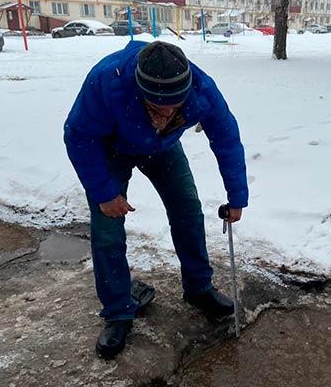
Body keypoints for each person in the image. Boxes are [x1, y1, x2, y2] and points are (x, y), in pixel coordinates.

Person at [64, 40, 248, 359]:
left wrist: (237, 196)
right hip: (112, 148)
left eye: (173, 107)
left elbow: (227, 137)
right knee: (107, 229)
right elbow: (78, 135)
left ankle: (199, 288)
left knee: (188, 209)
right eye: (156, 107)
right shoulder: (108, 82)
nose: (164, 115)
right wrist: (105, 192)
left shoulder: (201, 89)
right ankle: (118, 311)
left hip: (162, 149)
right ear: (139, 87)